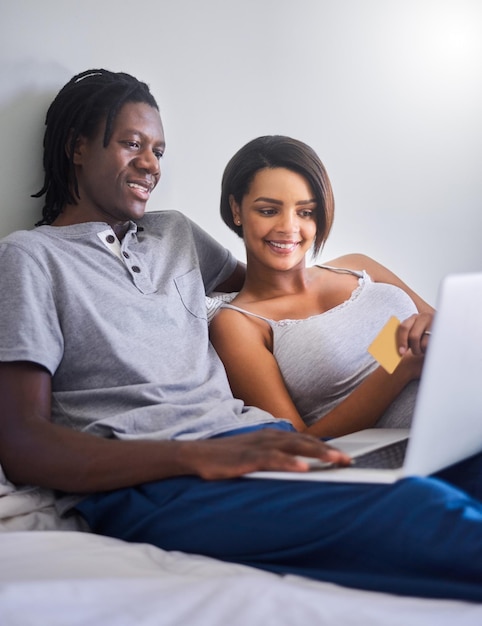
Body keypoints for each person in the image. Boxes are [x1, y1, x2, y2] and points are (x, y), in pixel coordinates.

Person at [1, 69, 482, 603]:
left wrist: (372, 311)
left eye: (159, 150)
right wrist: (195, 458)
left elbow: (270, 283)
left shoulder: (174, 232)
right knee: (420, 512)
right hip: (158, 480)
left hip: (258, 445)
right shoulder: (29, 257)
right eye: (131, 144)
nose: (150, 165)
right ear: (77, 147)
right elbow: (23, 443)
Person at [209, 135, 434, 438]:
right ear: (236, 209)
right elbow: (299, 441)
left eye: (305, 212)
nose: (289, 228)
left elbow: (446, 325)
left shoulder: (357, 264)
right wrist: (401, 368)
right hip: (417, 456)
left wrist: (434, 331)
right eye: (268, 210)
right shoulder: (237, 324)